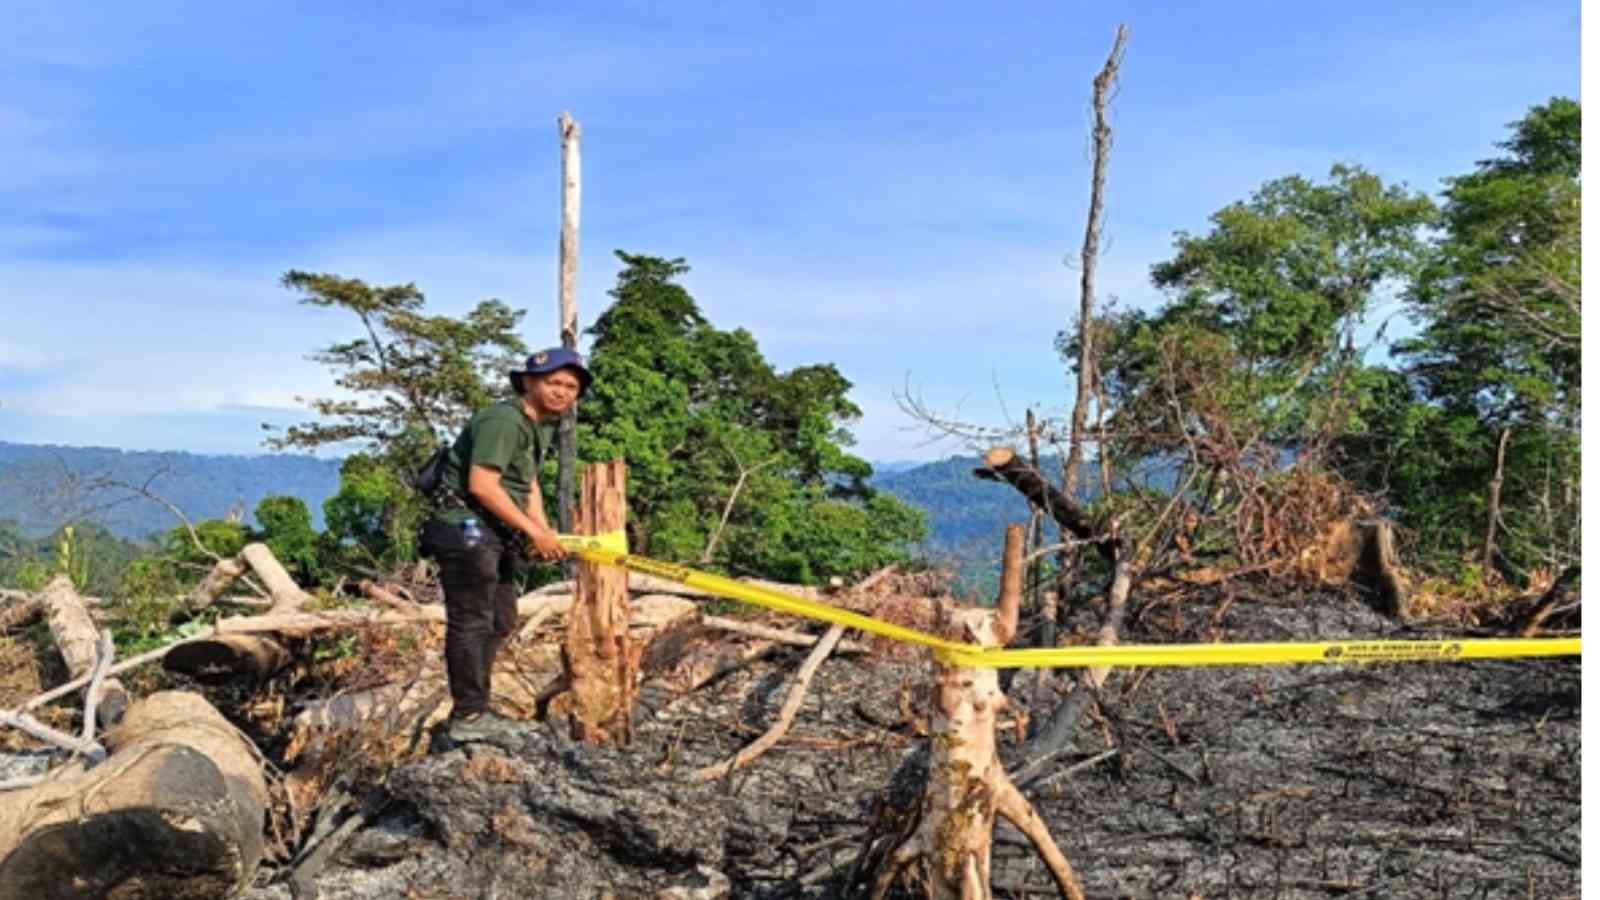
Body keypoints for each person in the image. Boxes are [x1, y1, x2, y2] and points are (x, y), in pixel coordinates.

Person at [419, 347, 592, 744]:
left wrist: (543, 529)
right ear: (529, 382)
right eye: (554, 382)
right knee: (472, 620)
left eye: (571, 386)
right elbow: (482, 485)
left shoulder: (541, 425)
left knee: (499, 618)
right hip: (465, 527)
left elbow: (526, 481)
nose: (563, 392)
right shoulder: (503, 420)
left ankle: (477, 707)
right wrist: (533, 533)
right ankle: (469, 716)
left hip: (495, 530)